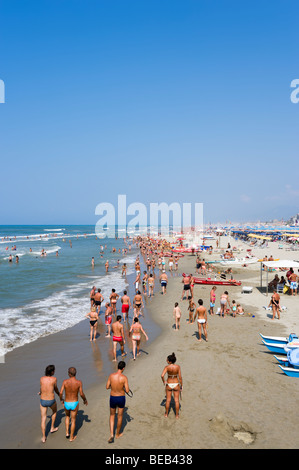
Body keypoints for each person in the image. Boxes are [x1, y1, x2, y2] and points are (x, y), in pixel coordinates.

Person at [59, 367, 88, 442]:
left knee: (67, 417)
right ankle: (71, 437)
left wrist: (61, 400)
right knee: (74, 420)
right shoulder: (79, 382)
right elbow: (81, 394)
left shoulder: (65, 382)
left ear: (69, 374)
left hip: (67, 402)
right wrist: (85, 400)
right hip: (74, 403)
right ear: (75, 373)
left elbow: (61, 392)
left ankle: (67, 433)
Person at [106, 360, 129, 443]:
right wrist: (121, 387)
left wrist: (113, 386)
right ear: (123, 368)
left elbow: (107, 387)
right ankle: (118, 434)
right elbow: (127, 390)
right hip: (121, 398)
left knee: (112, 415)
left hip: (113, 397)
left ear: (117, 367)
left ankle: (112, 434)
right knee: (120, 416)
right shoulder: (124, 378)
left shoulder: (111, 376)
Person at [39, 365, 60, 443]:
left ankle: (44, 437)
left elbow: (41, 387)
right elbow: (55, 389)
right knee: (54, 412)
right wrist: (59, 394)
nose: (54, 372)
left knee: (43, 418)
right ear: (52, 372)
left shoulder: (41, 378)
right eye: (54, 370)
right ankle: (52, 428)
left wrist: (40, 392)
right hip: (51, 400)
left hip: (43, 400)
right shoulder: (54, 379)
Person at [161, 353, 182, 419]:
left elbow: (162, 375)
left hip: (169, 383)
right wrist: (181, 385)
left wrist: (164, 381)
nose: (166, 360)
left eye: (167, 360)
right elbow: (180, 377)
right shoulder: (178, 367)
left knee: (168, 400)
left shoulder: (167, 367)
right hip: (176, 383)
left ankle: (166, 414)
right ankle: (177, 415)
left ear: (170, 361)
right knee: (176, 400)